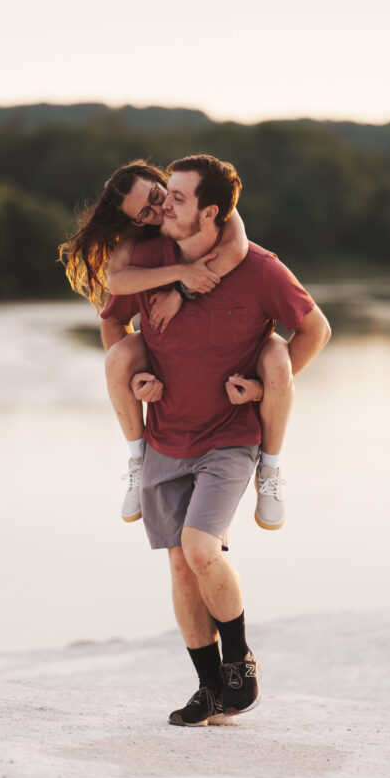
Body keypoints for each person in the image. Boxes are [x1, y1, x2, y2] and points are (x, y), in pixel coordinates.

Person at [100, 155, 331, 726]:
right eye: (164, 194)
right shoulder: (148, 259)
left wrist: (263, 387)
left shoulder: (260, 269)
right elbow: (113, 319)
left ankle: (240, 661)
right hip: (165, 437)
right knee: (181, 566)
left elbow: (315, 329)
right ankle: (209, 689)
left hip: (229, 439)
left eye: (176, 198)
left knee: (201, 548)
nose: (164, 207)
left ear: (209, 213)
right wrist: (137, 376)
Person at [59, 161, 295, 530]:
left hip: (231, 386)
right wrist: (138, 378)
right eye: (145, 213)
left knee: (277, 355)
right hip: (171, 418)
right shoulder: (141, 240)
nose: (158, 211)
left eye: (158, 196)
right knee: (118, 358)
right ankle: (137, 459)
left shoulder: (209, 211)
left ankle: (270, 468)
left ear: (163, 182)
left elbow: (235, 248)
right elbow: (116, 285)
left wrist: (180, 294)